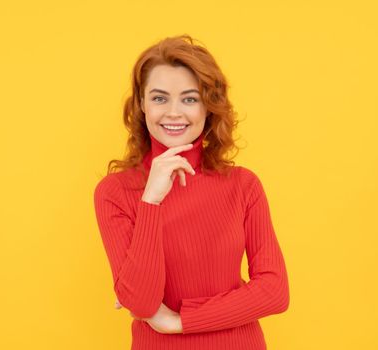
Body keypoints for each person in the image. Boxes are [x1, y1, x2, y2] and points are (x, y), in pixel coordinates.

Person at [93, 34, 289, 350]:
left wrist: (180, 322)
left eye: (189, 98)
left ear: (208, 107)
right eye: (159, 98)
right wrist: (151, 201)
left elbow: (275, 291)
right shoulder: (115, 193)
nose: (174, 112)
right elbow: (143, 304)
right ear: (141, 104)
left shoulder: (243, 185)